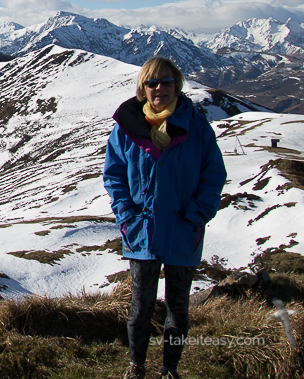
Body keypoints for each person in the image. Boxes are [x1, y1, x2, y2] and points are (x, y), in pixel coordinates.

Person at [103, 57, 227, 379]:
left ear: (178, 85)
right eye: (152, 83)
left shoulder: (197, 126)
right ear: (143, 88)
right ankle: (137, 366)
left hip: (183, 231)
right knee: (140, 308)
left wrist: (196, 217)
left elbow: (213, 175)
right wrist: (127, 216)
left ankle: (169, 369)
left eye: (167, 82)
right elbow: (114, 175)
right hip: (141, 231)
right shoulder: (126, 128)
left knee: (178, 309)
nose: (160, 88)